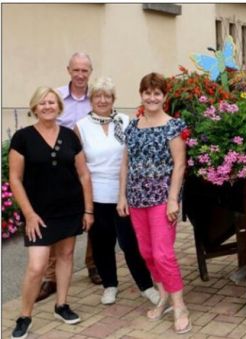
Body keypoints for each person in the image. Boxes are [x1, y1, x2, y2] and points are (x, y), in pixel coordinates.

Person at [9, 87, 94, 339]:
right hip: (39, 214)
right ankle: (25, 316)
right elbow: (15, 179)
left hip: (70, 208)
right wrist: (29, 214)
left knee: (66, 255)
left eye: (52, 102)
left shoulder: (69, 136)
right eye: (42, 103)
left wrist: (88, 209)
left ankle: (62, 305)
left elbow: (83, 174)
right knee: (37, 266)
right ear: (35, 107)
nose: (47, 106)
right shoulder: (22, 137)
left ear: (59, 107)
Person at [74, 77, 160, 305]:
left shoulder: (124, 121)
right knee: (102, 244)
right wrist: (85, 204)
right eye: (97, 96)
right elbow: (79, 166)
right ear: (91, 99)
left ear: (114, 99)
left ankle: (146, 286)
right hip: (96, 194)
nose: (102, 100)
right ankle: (109, 285)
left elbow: (135, 155)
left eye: (107, 96)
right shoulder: (81, 126)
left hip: (124, 193)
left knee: (131, 243)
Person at [117, 72, 190, 334]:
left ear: (164, 97)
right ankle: (163, 297)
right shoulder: (133, 127)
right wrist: (122, 195)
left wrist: (173, 199)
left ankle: (180, 306)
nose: (152, 97)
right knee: (147, 253)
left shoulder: (173, 125)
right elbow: (126, 163)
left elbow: (180, 164)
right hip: (136, 199)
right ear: (141, 95)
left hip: (161, 199)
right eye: (147, 92)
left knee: (163, 254)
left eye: (157, 93)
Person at [37, 52, 100, 303]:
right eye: (76, 70)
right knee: (56, 219)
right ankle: (51, 277)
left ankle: (93, 265)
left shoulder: (96, 99)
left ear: (90, 72)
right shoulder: (55, 98)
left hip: (89, 166)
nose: (81, 75)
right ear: (69, 70)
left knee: (92, 213)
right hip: (60, 170)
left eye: (85, 70)